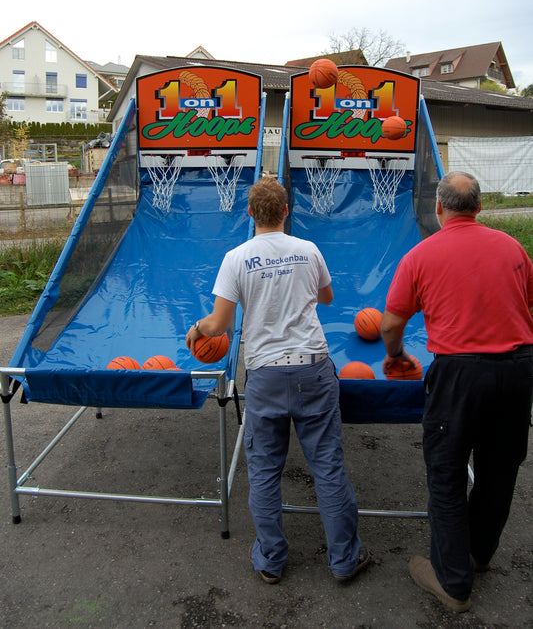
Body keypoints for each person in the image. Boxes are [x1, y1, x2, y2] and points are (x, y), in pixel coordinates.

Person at [186, 176, 368, 584]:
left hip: (265, 373)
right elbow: (327, 298)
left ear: (250, 213)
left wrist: (198, 329)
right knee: (328, 467)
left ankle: (271, 560)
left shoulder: (236, 257)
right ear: (286, 211)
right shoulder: (308, 249)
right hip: (312, 367)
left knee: (265, 471)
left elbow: (219, 324)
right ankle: (344, 560)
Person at [381, 171, 533, 613]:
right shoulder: (514, 249)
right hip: (519, 369)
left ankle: (453, 582)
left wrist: (395, 355)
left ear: (439, 209)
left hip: (461, 374)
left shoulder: (421, 254)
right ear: (481, 208)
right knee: (500, 469)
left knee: (446, 474)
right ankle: (479, 554)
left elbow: (391, 324)